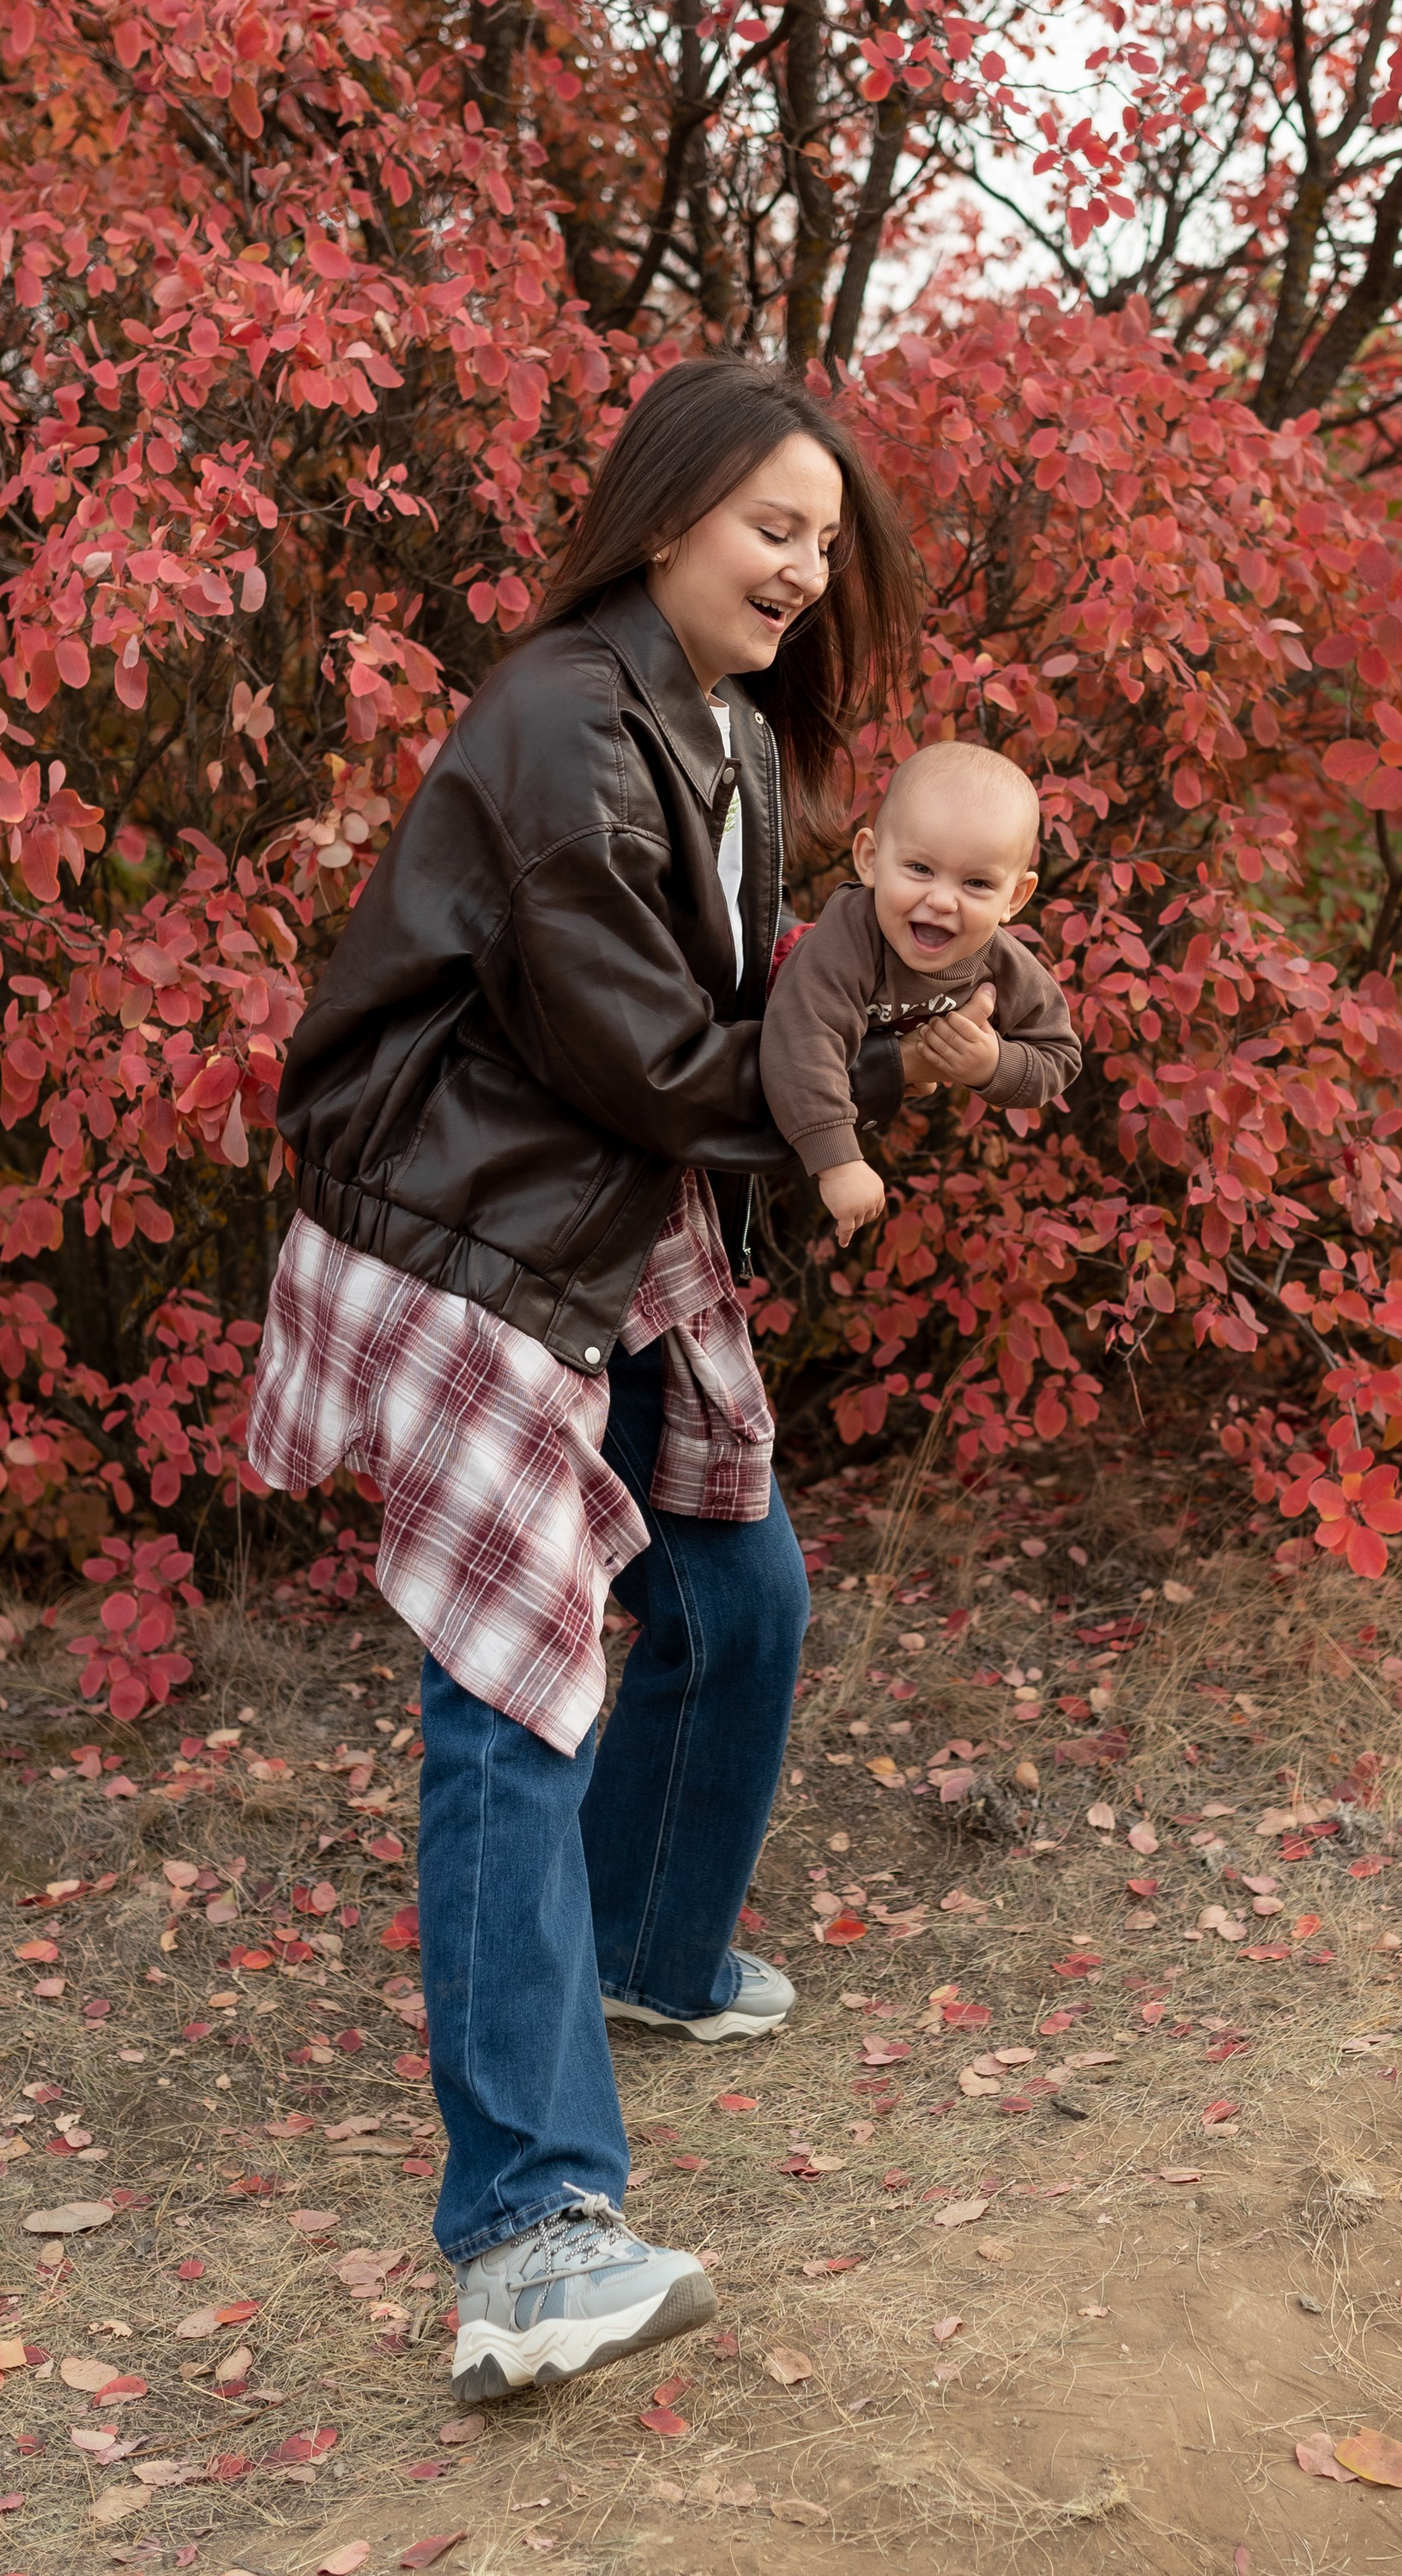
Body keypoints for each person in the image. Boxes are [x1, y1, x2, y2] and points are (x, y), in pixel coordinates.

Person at [247, 355, 926, 2407]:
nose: (802, 569)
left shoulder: (715, 725)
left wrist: (900, 1015)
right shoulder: (563, 715)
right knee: (507, 1696)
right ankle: (528, 2235)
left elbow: (712, 1030)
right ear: (662, 518)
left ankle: (643, 1944)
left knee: (735, 1592)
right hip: (474, 1230)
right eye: (771, 527)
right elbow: (643, 1052)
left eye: (822, 541)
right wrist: (870, 1082)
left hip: (602, 1217)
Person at [759, 739, 1080, 1244]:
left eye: (977, 883)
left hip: (845, 1062)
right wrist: (838, 1163)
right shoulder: (848, 940)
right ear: (870, 859)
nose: (942, 900)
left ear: (1015, 897)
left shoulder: (1004, 965)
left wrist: (991, 1065)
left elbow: (1059, 1054)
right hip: (760, 992)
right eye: (920, 869)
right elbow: (801, 1046)